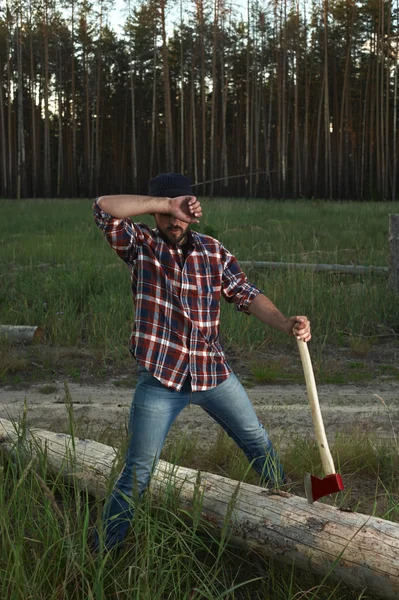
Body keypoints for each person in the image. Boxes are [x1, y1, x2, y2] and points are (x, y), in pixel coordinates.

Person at [92, 172, 311, 552]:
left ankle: (291, 514)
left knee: (257, 440)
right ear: (158, 211)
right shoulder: (140, 245)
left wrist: (285, 322)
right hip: (161, 376)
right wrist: (165, 203)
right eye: (167, 214)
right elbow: (103, 208)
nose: (174, 222)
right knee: (139, 470)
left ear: (193, 212)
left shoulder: (213, 251)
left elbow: (246, 294)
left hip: (213, 373)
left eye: (181, 212)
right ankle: (101, 550)